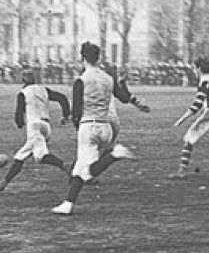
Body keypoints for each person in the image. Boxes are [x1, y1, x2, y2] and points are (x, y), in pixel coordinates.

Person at [51, 42, 150, 215]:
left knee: (87, 172)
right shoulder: (108, 78)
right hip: (106, 127)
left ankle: (114, 155)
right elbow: (124, 98)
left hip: (89, 126)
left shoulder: (81, 80)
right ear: (98, 58)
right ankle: (68, 204)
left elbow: (76, 111)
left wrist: (78, 126)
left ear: (82, 58)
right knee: (79, 170)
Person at [0, 69, 71, 191]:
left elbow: (19, 112)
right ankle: (3, 183)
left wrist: (19, 123)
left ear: (23, 80)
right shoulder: (44, 89)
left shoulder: (23, 93)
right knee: (20, 156)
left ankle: (66, 167)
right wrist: (66, 115)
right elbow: (62, 98)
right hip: (46, 126)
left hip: (34, 126)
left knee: (40, 156)